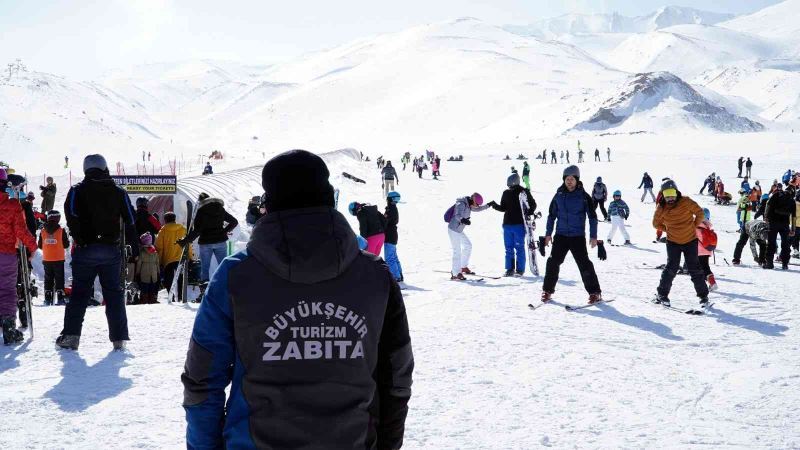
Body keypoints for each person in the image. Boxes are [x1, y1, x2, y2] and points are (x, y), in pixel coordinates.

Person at [181, 150, 412, 449]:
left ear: (269, 205)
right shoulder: (375, 275)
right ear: (330, 199)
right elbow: (395, 378)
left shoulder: (235, 276)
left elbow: (203, 380)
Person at [57, 154, 139, 351]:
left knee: (79, 293)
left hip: (85, 250)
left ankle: (71, 337)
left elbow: (71, 215)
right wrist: (133, 248)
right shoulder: (118, 191)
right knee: (113, 294)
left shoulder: (77, 190)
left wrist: (80, 237)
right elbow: (130, 219)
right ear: (104, 167)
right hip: (111, 250)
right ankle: (119, 339)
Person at [541, 165, 602, 303]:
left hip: (577, 236)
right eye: (567, 179)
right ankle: (547, 291)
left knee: (584, 264)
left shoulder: (584, 197)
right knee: (552, 262)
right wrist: (548, 234)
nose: (569, 181)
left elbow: (592, 217)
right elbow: (551, 215)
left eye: (572, 179)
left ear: (577, 180)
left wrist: (593, 236)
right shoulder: (558, 195)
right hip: (561, 235)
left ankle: (594, 292)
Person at [651, 179, 709, 308]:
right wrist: (668, 229)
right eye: (667, 194)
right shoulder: (661, 207)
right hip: (673, 243)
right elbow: (655, 224)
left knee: (694, 268)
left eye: (672, 193)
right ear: (663, 195)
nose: (670, 197)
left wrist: (694, 225)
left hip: (690, 241)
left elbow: (699, 212)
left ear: (676, 192)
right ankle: (662, 294)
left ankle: (703, 296)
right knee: (671, 268)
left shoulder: (686, 201)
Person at [0, 168, 38, 345]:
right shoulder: (13, 205)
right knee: (7, 290)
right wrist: (33, 247)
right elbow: (21, 231)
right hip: (6, 255)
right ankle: (8, 327)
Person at [178, 193, 239, 283]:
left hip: (206, 243)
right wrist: (224, 231)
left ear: (200, 201)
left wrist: (185, 240)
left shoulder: (200, 211)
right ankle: (226, 285)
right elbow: (234, 222)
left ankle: (204, 288)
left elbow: (198, 230)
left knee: (205, 268)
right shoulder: (220, 209)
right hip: (220, 242)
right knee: (223, 265)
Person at [489, 173, 536, 276]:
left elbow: (533, 204)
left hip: (519, 224)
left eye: (510, 184)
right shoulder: (506, 193)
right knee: (508, 247)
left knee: (519, 246)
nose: (509, 186)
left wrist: (529, 212)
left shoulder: (523, 192)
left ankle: (520, 270)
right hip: (507, 225)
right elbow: (503, 208)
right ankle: (509, 269)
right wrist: (495, 205)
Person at [447, 193, 490, 280]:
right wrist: (463, 220)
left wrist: (489, 205)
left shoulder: (469, 205)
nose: (477, 206)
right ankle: (455, 273)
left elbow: (477, 209)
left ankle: (463, 266)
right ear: (473, 200)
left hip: (459, 230)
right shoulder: (461, 204)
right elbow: (457, 215)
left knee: (468, 245)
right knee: (457, 251)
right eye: (477, 204)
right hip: (453, 229)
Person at [155, 212, 192, 302]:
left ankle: (170, 295)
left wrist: (159, 262)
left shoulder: (162, 231)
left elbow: (159, 248)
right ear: (175, 219)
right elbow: (188, 244)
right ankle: (180, 297)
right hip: (181, 258)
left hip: (167, 259)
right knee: (180, 278)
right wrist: (190, 256)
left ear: (165, 220)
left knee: (169, 279)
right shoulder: (183, 229)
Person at [38, 210, 70, 306]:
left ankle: (48, 298)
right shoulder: (61, 230)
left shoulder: (43, 231)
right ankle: (60, 298)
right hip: (59, 258)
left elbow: (40, 246)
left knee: (48, 278)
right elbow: (66, 245)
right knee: (59, 278)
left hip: (47, 258)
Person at [763, 183, 795, 270]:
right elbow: (794, 216)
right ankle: (785, 264)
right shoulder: (792, 200)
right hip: (785, 225)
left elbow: (768, 205)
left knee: (771, 243)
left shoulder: (776, 195)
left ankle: (769, 263)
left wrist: (766, 217)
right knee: (785, 244)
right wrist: (793, 229)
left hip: (773, 223)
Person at [134, 233, 160, 304]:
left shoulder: (142, 252)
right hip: (154, 273)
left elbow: (139, 263)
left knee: (144, 287)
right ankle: (152, 299)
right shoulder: (155, 252)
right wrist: (158, 272)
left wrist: (137, 273)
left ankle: (144, 299)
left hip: (144, 273)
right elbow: (157, 263)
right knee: (152, 287)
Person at [384, 191, 403, 282]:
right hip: (393, 235)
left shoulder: (390, 209)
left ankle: (396, 276)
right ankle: (399, 274)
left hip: (389, 235)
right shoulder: (393, 208)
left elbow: (386, 221)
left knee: (389, 257)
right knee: (393, 256)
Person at [697, 208, 717, 291]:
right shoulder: (707, 226)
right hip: (707, 250)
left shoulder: (696, 227)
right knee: (705, 266)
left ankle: (711, 283)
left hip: (699, 251)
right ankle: (710, 282)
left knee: (702, 268)